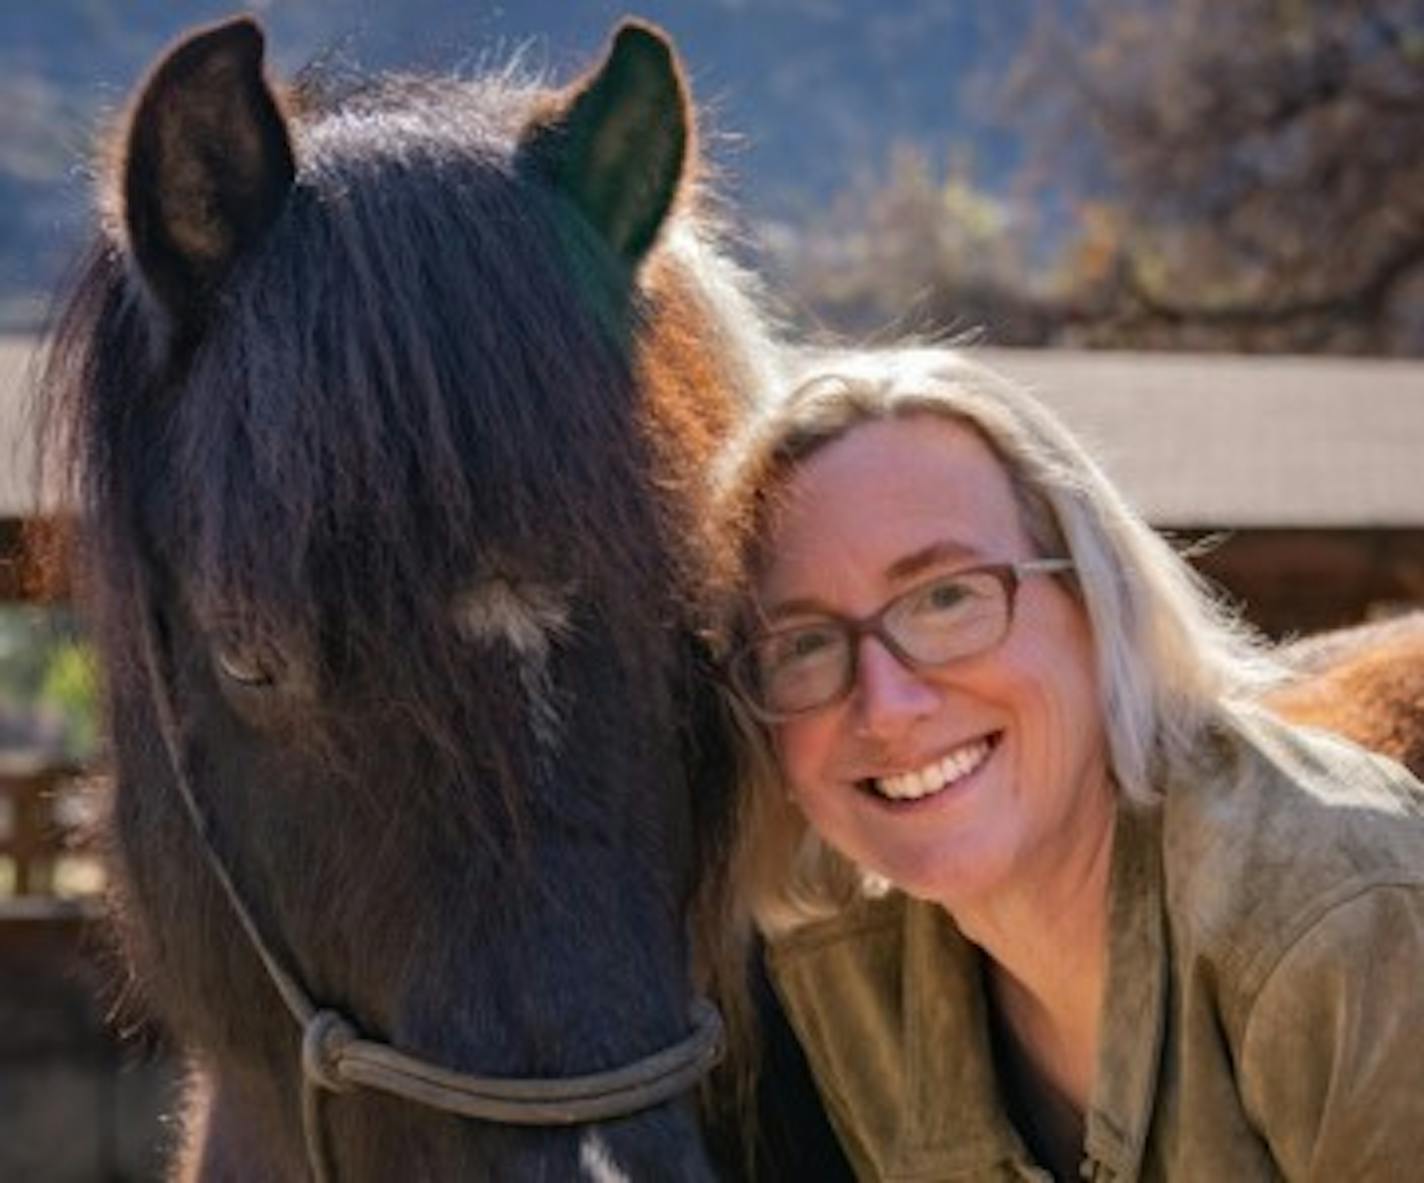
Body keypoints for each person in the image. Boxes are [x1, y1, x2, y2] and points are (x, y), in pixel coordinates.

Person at [710, 347, 1424, 1181]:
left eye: (947, 597)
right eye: (802, 645)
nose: (886, 704)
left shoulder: (1340, 925)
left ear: (1095, 595)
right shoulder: (844, 969)